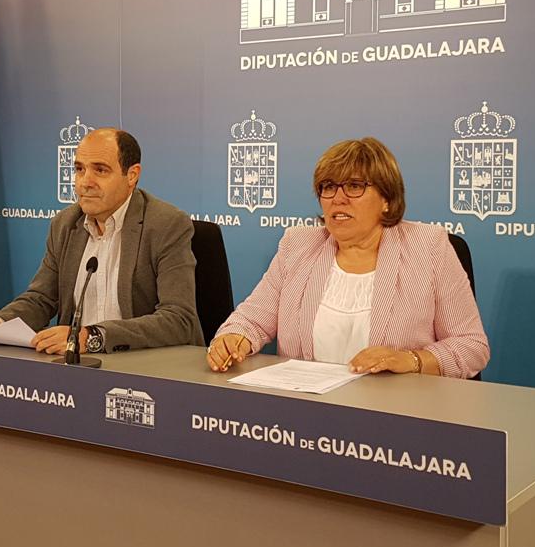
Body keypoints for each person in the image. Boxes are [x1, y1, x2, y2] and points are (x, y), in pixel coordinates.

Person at [207, 137, 489, 378]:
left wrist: (412, 360)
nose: (338, 198)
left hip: (396, 411)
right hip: (304, 410)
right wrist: (234, 338)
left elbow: (471, 346)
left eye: (354, 186)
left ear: (387, 199)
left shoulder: (428, 247)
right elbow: (252, 320)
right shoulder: (298, 245)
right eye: (328, 187)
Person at [0, 128, 203, 354]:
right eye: (79, 169)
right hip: (76, 366)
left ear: (131, 175)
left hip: (144, 366)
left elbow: (179, 319)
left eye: (100, 170)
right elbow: (42, 299)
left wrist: (92, 337)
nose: (84, 182)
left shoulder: (165, 225)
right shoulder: (66, 223)